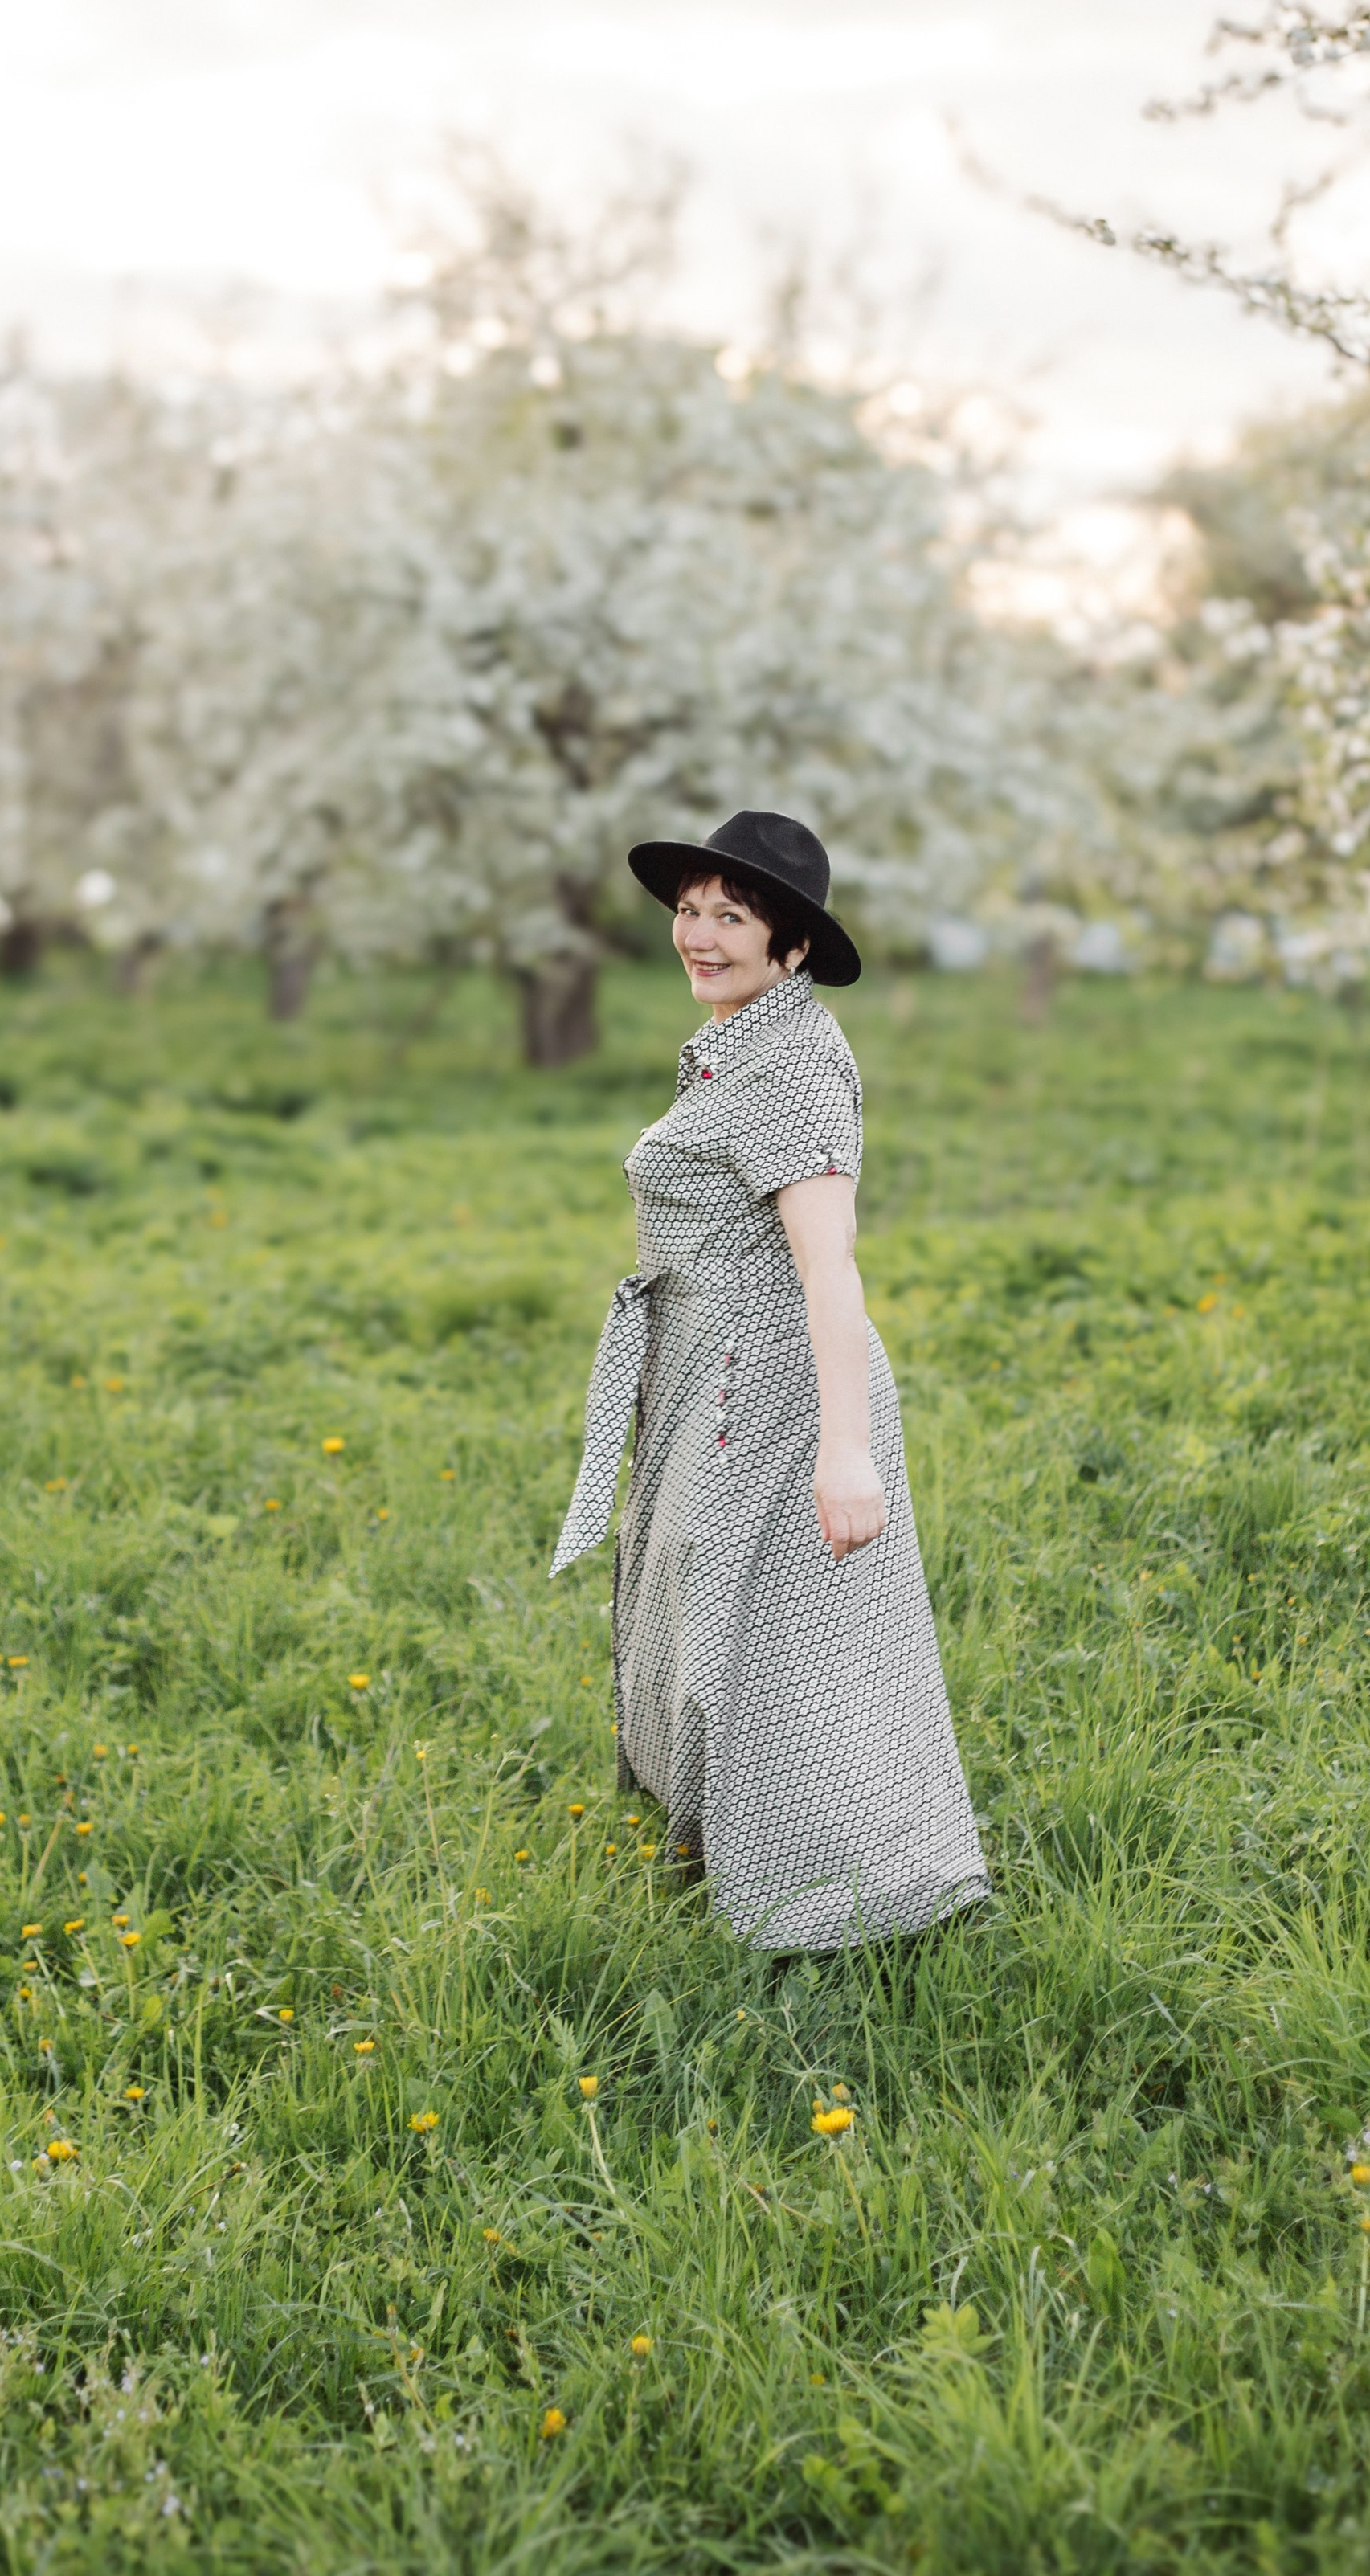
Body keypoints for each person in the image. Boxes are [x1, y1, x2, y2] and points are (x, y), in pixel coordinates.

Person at [553, 810, 989, 1952]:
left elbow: (828, 1269)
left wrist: (842, 1452)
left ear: (790, 946)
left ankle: (846, 1898)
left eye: (729, 916)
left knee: (788, 1636)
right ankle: (733, 1850)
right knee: (709, 1619)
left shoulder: (791, 1064)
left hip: (777, 1383)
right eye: (689, 910)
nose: (697, 935)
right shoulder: (741, 1041)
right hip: (708, 1368)